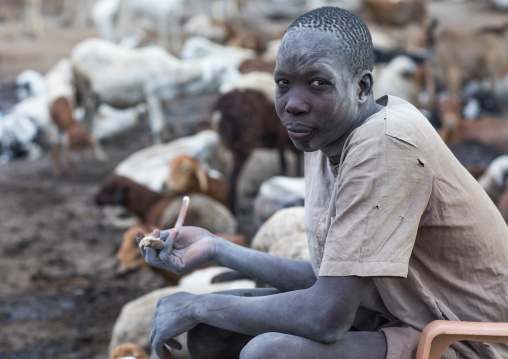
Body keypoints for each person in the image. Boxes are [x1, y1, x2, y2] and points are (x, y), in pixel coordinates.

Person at [137, 6, 508, 359]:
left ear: (362, 87)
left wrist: (197, 302)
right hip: (406, 317)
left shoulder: (384, 144)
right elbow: (329, 279)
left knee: (266, 352)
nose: (294, 103)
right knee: (211, 330)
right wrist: (216, 248)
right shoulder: (322, 137)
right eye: (284, 83)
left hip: (467, 339)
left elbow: (326, 318)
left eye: (318, 83)